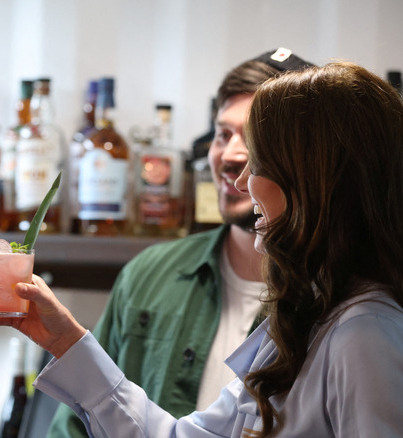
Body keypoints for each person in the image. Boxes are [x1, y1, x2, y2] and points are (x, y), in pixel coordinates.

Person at [0, 61, 403, 437]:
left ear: (317, 179)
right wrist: (67, 342)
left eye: (260, 161)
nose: (242, 180)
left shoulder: (364, 334)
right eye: (224, 136)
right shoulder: (304, 318)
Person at [47, 48, 314, 437]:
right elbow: (73, 425)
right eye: (223, 134)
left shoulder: (332, 299)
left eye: (255, 136)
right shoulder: (148, 274)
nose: (231, 155)